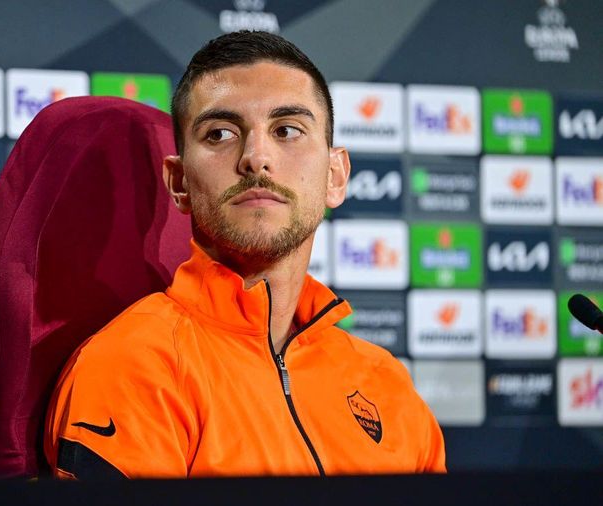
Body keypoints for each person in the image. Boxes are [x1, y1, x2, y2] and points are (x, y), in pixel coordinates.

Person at [44, 30, 446, 478]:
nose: (256, 157)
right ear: (179, 183)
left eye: (287, 130)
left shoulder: (386, 383)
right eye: (220, 134)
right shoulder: (133, 366)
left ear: (335, 176)